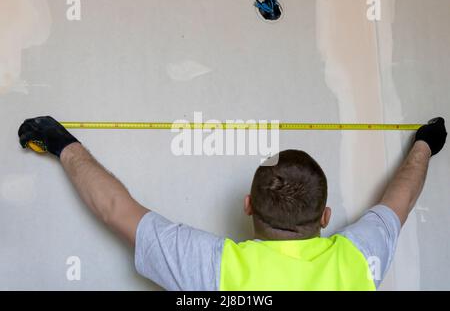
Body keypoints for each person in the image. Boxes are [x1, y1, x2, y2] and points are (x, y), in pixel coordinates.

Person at [18, 116, 447, 290]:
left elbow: (115, 210)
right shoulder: (359, 258)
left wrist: (63, 144)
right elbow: (400, 201)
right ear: (325, 217)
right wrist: (425, 145)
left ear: (247, 205)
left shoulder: (216, 268)